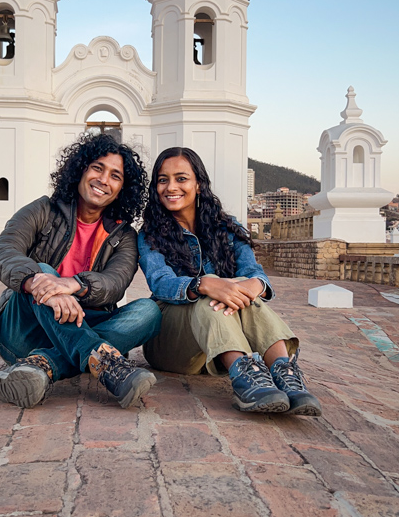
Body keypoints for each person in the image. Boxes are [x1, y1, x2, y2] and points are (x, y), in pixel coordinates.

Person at [0, 132, 162, 409]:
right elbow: (4, 250)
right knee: (41, 270)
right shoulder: (42, 209)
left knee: (149, 312)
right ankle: (107, 365)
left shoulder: (124, 236)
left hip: (84, 324)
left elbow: (116, 282)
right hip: (23, 332)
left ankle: (43, 365)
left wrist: (74, 285)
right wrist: (39, 283)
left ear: (123, 188)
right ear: (81, 169)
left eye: (115, 175)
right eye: (97, 168)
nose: (103, 179)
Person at [138, 147, 321, 416]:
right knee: (212, 290)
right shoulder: (149, 234)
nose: (171, 187)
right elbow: (160, 282)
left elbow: (254, 272)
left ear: (198, 184)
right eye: (163, 180)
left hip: (216, 344)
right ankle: (246, 377)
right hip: (172, 344)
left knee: (239, 291)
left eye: (181, 178)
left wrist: (247, 287)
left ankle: (285, 372)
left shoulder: (226, 227)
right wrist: (204, 284)